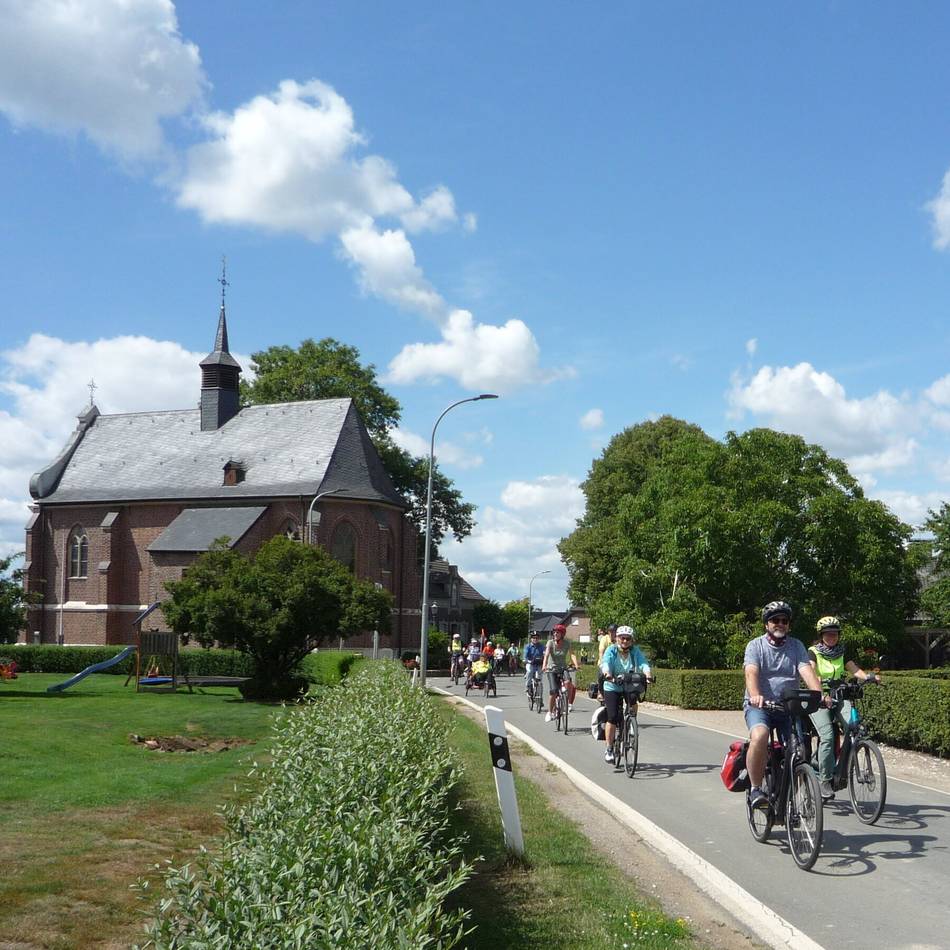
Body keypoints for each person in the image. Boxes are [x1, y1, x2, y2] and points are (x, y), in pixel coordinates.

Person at [744, 600, 827, 809]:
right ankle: (755, 789)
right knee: (760, 735)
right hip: (760, 706)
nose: (780, 624)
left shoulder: (796, 646)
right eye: (775, 620)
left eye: (784, 621)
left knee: (799, 753)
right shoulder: (755, 645)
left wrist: (819, 694)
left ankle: (788, 796)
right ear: (767, 624)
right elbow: (751, 672)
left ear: (789, 625)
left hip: (788, 707)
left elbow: (806, 671)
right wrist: (755, 695)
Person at [808, 616, 881, 800]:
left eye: (835, 633)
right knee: (828, 737)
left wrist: (869, 677)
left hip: (839, 696)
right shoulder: (813, 652)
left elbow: (854, 669)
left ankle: (842, 769)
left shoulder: (841, 651)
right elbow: (811, 673)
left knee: (854, 727)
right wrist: (821, 694)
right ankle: (824, 779)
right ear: (821, 635)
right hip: (820, 698)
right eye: (828, 633)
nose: (832, 636)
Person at [600, 625, 652, 763]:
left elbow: (643, 663)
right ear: (617, 638)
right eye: (622, 638)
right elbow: (605, 663)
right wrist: (608, 674)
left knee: (633, 701)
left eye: (628, 638)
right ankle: (609, 748)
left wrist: (648, 675)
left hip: (628, 685)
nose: (625, 641)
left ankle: (631, 722)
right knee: (612, 717)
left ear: (631, 640)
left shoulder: (635, 651)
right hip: (612, 685)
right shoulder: (611, 650)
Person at [543, 623, 579, 722]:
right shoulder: (550, 643)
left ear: (562, 634)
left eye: (557, 632)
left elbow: (572, 654)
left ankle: (566, 703)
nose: (555, 634)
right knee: (554, 691)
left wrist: (576, 665)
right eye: (554, 632)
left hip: (563, 668)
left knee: (568, 683)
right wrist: (544, 666)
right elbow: (546, 655)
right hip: (552, 669)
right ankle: (550, 712)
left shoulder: (567, 643)